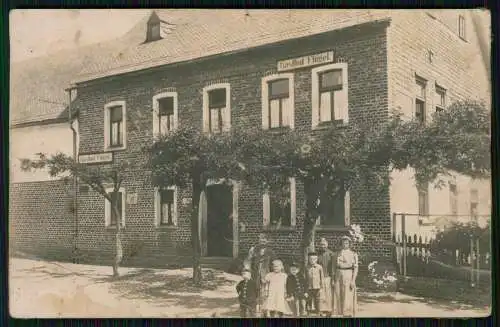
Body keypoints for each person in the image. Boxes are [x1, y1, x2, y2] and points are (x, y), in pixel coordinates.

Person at [243, 233, 276, 315]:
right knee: (255, 291)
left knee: (265, 292)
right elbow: (248, 261)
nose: (263, 241)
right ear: (258, 240)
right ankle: (256, 309)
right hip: (255, 274)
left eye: (265, 239)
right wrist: (247, 271)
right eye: (261, 239)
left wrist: (274, 274)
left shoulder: (271, 252)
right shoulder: (254, 250)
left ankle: (265, 309)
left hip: (266, 275)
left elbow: (274, 263)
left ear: (268, 241)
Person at [332, 236, 359, 317]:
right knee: (337, 293)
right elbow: (333, 267)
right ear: (341, 244)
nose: (345, 244)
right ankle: (338, 312)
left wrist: (353, 280)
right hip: (338, 274)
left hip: (348, 274)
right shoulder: (336, 254)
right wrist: (333, 279)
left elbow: (356, 268)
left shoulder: (353, 254)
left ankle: (347, 312)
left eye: (347, 243)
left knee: (347, 293)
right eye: (343, 242)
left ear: (349, 244)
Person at [317, 238, 335, 317]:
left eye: (324, 244)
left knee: (328, 294)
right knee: (320, 293)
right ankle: (321, 309)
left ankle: (329, 309)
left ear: (327, 245)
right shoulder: (317, 254)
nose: (322, 246)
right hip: (319, 277)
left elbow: (333, 267)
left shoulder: (331, 254)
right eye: (321, 244)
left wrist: (332, 278)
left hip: (328, 276)